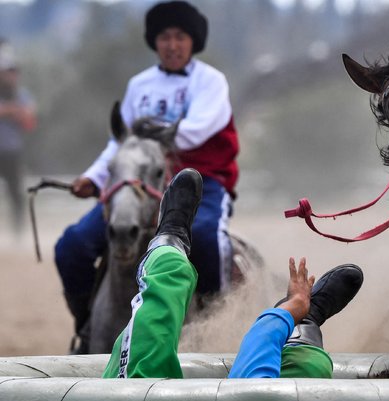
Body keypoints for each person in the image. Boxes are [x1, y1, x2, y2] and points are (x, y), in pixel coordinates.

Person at [55, 1, 240, 352]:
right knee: (72, 246)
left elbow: (197, 131)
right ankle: (86, 328)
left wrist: (145, 132)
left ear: (192, 41)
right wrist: (93, 178)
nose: (172, 44)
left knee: (203, 237)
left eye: (180, 37)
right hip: (138, 184)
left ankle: (215, 331)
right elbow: (120, 143)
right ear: (155, 42)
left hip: (202, 183)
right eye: (165, 37)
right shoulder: (139, 85)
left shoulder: (211, 82)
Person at [103, 168, 363, 379]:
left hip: (197, 176)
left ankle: (169, 243)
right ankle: (302, 324)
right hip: (136, 186)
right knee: (307, 371)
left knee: (74, 245)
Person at [0, 39, 36, 234]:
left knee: (16, 195)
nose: (11, 76)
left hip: (12, 153)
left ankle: (17, 232)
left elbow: (29, 120)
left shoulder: (21, 95)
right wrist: (11, 111)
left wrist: (13, 111)